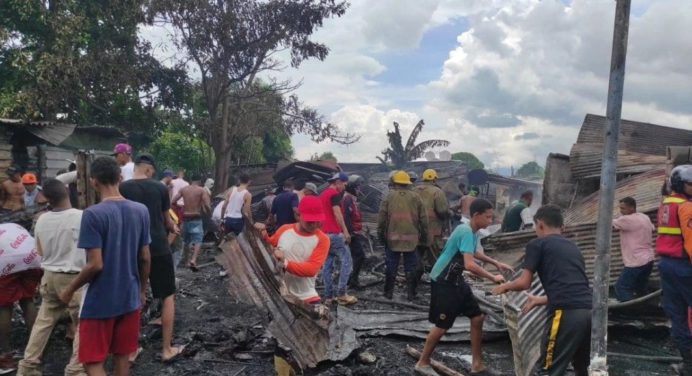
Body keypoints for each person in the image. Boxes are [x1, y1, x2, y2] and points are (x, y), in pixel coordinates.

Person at [58, 156, 151, 376]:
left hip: (100, 300)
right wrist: (141, 290)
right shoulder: (140, 211)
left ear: (93, 181)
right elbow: (145, 257)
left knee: (91, 361)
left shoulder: (93, 214)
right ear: (120, 178)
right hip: (129, 296)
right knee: (122, 357)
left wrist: (69, 289)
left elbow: (95, 265)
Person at [493, 205, 592, 376]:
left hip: (564, 313)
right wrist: (539, 300)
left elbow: (524, 283)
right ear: (562, 226)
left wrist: (505, 286)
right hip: (589, 311)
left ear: (539, 224)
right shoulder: (573, 247)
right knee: (582, 368)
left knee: (548, 369)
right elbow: (574, 288)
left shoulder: (537, 244)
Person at [415, 199, 507, 376]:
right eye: (488, 217)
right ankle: (423, 362)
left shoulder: (471, 231)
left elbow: (473, 252)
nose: (490, 221)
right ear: (476, 215)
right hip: (444, 280)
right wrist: (492, 276)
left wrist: (496, 263)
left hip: (456, 279)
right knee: (442, 325)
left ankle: (477, 363)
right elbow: (470, 264)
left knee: (477, 317)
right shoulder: (465, 231)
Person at [253, 196, 330, 376]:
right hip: (280, 296)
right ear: (298, 214)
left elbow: (311, 269)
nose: (314, 224)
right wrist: (262, 234)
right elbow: (271, 246)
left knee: (307, 346)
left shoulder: (322, 239)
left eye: (317, 220)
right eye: (310, 220)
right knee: (281, 343)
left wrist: (285, 263)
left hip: (306, 297)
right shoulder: (285, 230)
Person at [17, 179, 86, 376]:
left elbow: (39, 250)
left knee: (44, 322)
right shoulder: (82, 217)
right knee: (83, 324)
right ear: (66, 191)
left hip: (49, 276)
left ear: (47, 198)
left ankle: (28, 366)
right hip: (74, 278)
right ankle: (75, 370)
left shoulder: (42, 219)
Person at [119, 154, 185, 362]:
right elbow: (167, 220)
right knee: (167, 295)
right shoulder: (159, 188)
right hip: (158, 246)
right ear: (149, 170)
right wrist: (174, 227)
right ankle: (167, 349)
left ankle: (131, 349)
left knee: (133, 295)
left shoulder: (123, 188)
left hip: (131, 248)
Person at [658, 165, 692, 375]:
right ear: (681, 185)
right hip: (684, 266)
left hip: (667, 266)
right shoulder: (687, 207)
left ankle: (688, 365)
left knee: (678, 316)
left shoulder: (666, 204)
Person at [378, 171, 428, 301]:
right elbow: (424, 220)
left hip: (392, 239)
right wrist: (424, 237)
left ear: (394, 182)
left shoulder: (388, 197)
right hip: (411, 240)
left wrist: (381, 236)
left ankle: (388, 293)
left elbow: (382, 219)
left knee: (391, 265)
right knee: (410, 266)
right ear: (408, 183)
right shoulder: (416, 197)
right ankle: (411, 294)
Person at [0, 224, 41, 374]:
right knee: (28, 299)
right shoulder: (12, 226)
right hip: (32, 258)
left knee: (4, 306)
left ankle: (6, 356)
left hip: (6, 261)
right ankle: (36, 350)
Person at [320, 172, 357, 305]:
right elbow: (337, 214)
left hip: (324, 234)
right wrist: (345, 232)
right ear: (338, 182)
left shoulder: (323, 194)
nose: (344, 188)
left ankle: (329, 296)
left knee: (327, 265)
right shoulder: (334, 194)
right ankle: (342, 294)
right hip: (335, 234)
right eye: (344, 185)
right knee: (347, 263)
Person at [612, 196, 655, 302]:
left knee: (621, 287)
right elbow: (653, 228)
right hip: (649, 259)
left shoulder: (626, 219)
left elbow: (608, 223)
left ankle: (629, 309)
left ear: (632, 208)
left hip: (636, 261)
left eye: (623, 208)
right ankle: (645, 307)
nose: (621, 211)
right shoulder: (644, 217)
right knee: (640, 287)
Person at [415, 169, 450, 284]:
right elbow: (442, 210)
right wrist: (449, 214)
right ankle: (438, 282)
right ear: (435, 179)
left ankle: (414, 284)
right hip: (433, 232)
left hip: (415, 231)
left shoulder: (414, 190)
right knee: (435, 259)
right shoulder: (437, 192)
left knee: (416, 258)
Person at [172, 175, 210, 270]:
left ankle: (186, 261)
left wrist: (179, 207)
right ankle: (193, 259)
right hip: (196, 218)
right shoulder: (201, 190)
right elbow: (207, 204)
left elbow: (173, 201)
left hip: (185, 218)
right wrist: (209, 213)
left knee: (186, 241)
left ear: (191, 180)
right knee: (198, 240)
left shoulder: (184, 189)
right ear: (200, 181)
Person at [342, 175, 366, 290]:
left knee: (355, 257)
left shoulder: (352, 198)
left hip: (355, 232)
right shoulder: (347, 198)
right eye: (358, 186)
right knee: (359, 256)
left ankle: (351, 279)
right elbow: (346, 217)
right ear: (353, 187)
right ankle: (353, 281)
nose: (360, 189)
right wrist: (350, 232)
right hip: (352, 233)